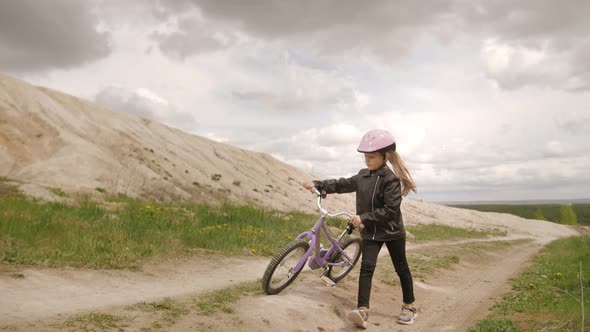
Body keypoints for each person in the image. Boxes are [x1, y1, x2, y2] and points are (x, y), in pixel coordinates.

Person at [303, 129, 417, 328]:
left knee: (402, 269)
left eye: (371, 156)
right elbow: (342, 184)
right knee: (367, 268)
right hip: (370, 232)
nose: (367, 160)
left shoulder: (390, 180)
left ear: (386, 156)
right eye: (365, 156)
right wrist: (320, 184)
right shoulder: (363, 175)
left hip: (392, 232)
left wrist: (364, 217)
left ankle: (409, 307)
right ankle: (362, 311)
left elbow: (390, 210)